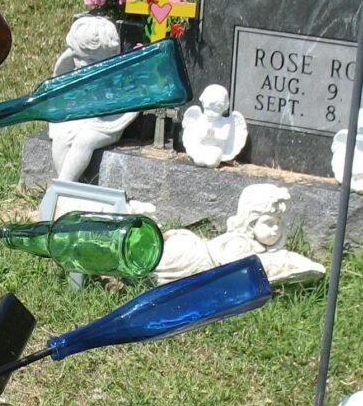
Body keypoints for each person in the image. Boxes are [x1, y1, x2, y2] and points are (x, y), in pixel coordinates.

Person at [155, 183, 324, 286]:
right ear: (251, 224)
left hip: (193, 249)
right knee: (158, 259)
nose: (276, 229)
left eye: (279, 223)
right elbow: (233, 273)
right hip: (187, 255)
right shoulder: (239, 243)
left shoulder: (253, 245)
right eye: (269, 223)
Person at [49, 15, 139, 182]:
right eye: (78, 58)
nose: (82, 64)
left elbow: (131, 99)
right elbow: (58, 84)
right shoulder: (74, 64)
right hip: (80, 115)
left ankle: (63, 187)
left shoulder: (118, 72)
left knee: (84, 140)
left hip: (106, 122)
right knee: (61, 136)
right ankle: (68, 186)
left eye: (89, 60)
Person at [181, 84, 247, 168]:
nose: (211, 113)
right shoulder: (200, 120)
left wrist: (214, 135)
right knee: (198, 160)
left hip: (216, 148)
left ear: (223, 107)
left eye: (216, 110)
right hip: (202, 146)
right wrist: (206, 134)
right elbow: (197, 137)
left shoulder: (226, 123)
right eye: (208, 109)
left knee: (212, 162)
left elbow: (224, 139)